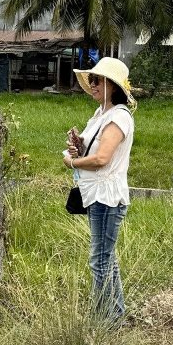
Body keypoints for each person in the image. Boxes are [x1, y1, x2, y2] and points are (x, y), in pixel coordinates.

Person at [63, 57, 136, 322]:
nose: (92, 85)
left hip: (107, 197)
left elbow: (102, 159)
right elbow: (92, 150)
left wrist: (72, 161)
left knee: (100, 261)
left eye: (98, 80)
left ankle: (106, 320)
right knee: (106, 259)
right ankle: (115, 315)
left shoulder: (118, 117)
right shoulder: (101, 115)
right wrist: (78, 146)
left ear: (112, 86)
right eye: (91, 80)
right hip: (96, 194)